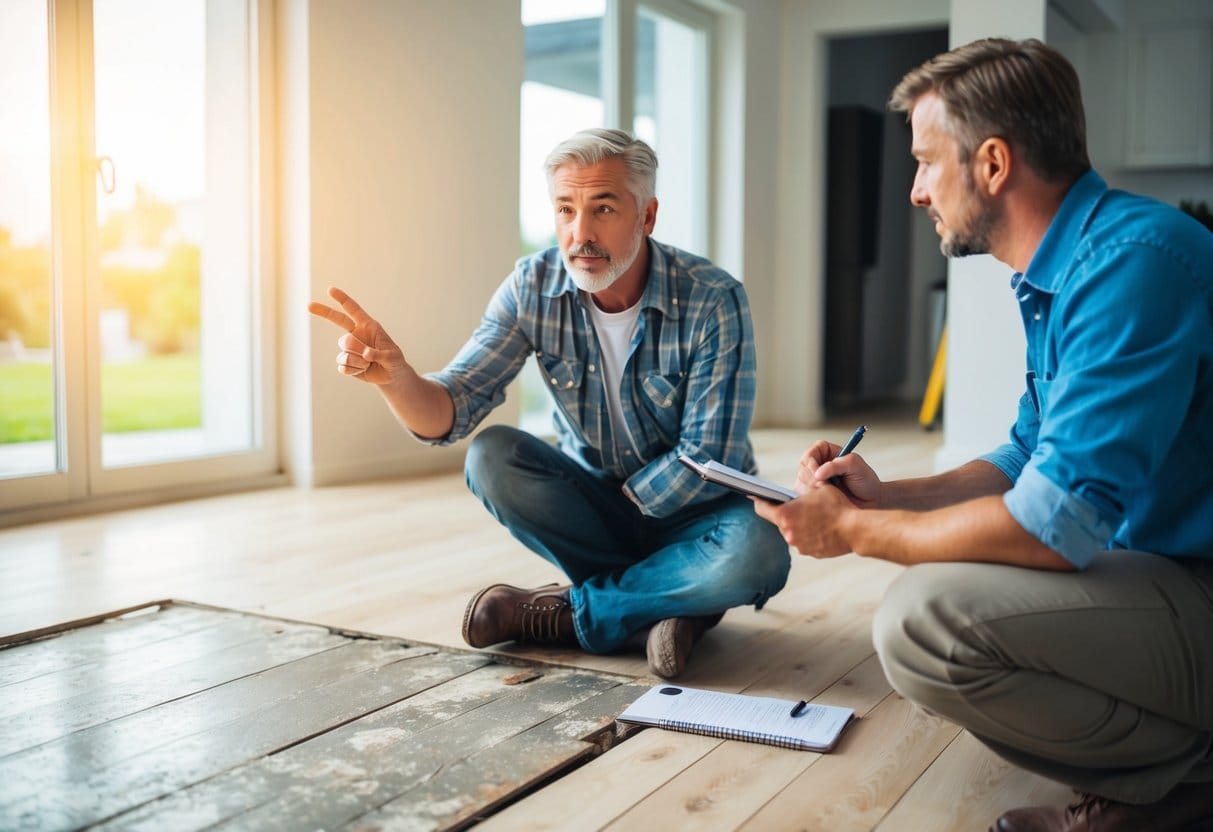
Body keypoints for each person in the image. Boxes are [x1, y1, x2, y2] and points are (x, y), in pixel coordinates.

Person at [754, 38, 1213, 832]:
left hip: (1196, 578)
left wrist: (859, 531)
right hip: (1165, 566)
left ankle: (1182, 781)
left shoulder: (1134, 264)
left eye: (927, 163)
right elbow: (1023, 457)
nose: (914, 192)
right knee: (941, 606)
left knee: (923, 622)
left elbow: (1053, 525)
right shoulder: (1076, 265)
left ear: (992, 164)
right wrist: (886, 491)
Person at [309, 128, 790, 679]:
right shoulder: (531, 286)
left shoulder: (713, 298)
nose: (580, 233)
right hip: (596, 510)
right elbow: (451, 409)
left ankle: (573, 613)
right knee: (490, 455)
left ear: (647, 216)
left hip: (696, 514)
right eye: (566, 209)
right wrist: (395, 379)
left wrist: (632, 521)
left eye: (602, 208)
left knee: (760, 551)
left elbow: (709, 456)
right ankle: (670, 600)